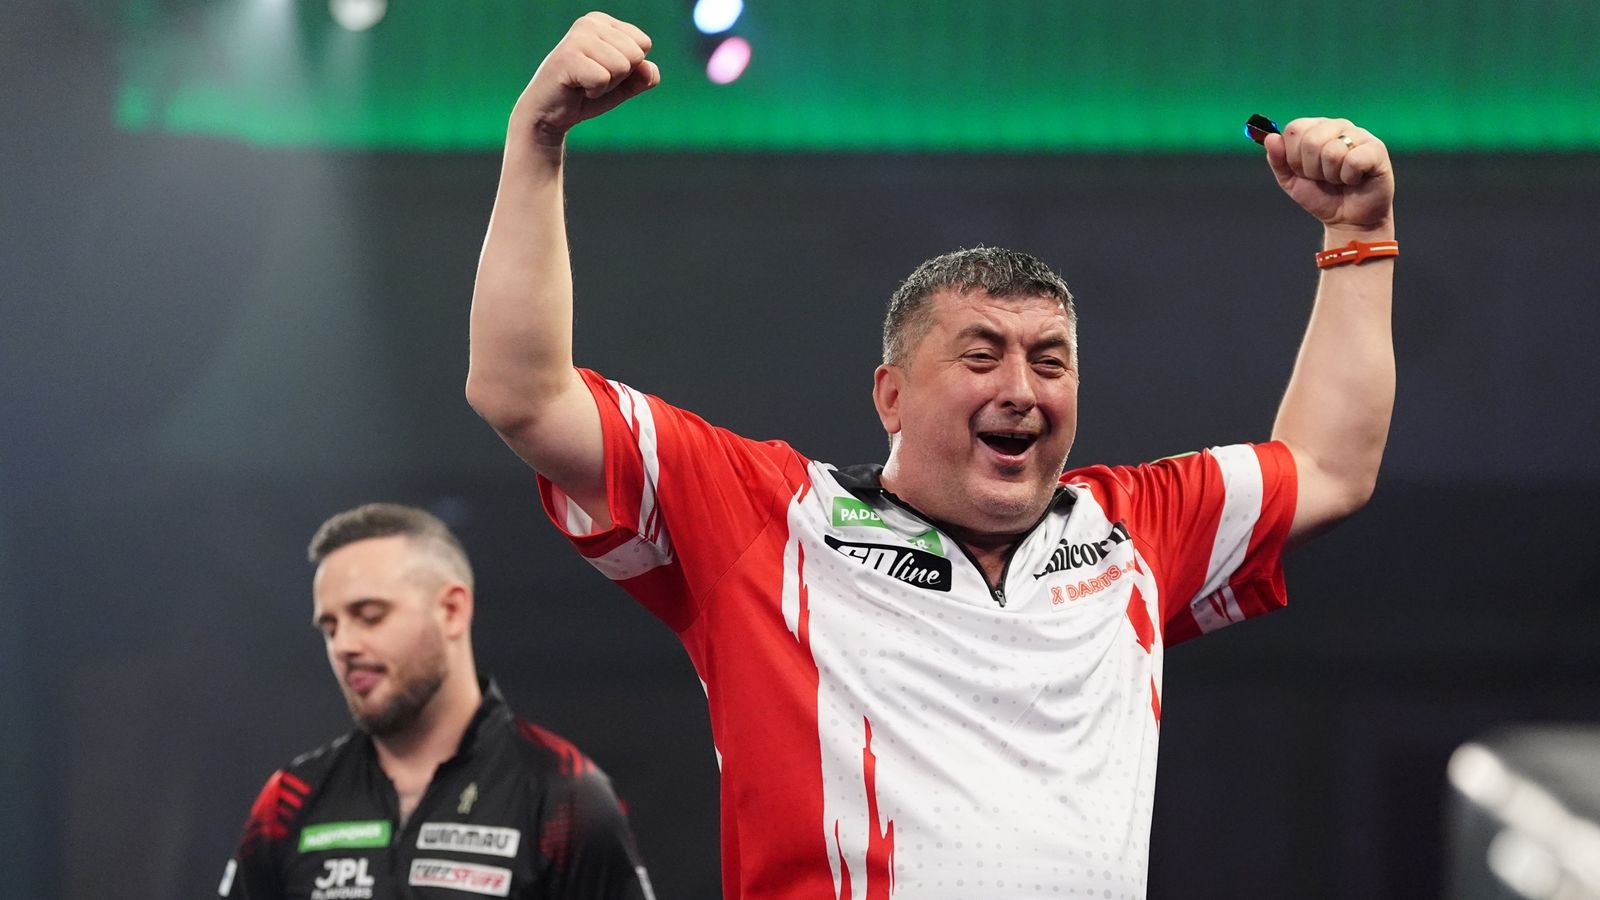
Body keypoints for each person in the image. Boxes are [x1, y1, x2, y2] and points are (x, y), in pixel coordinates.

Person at [464, 12, 1395, 899]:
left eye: (1050, 362)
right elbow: (524, 396)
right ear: (892, 397)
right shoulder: (770, 520)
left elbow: (1329, 468)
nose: (1021, 389)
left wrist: (1358, 235)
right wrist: (536, 139)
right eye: (981, 356)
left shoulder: (1134, 533)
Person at [220, 503, 654, 899]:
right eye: (329, 628)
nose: (344, 645)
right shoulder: (291, 798)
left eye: (370, 616)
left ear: (451, 610)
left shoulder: (562, 793)